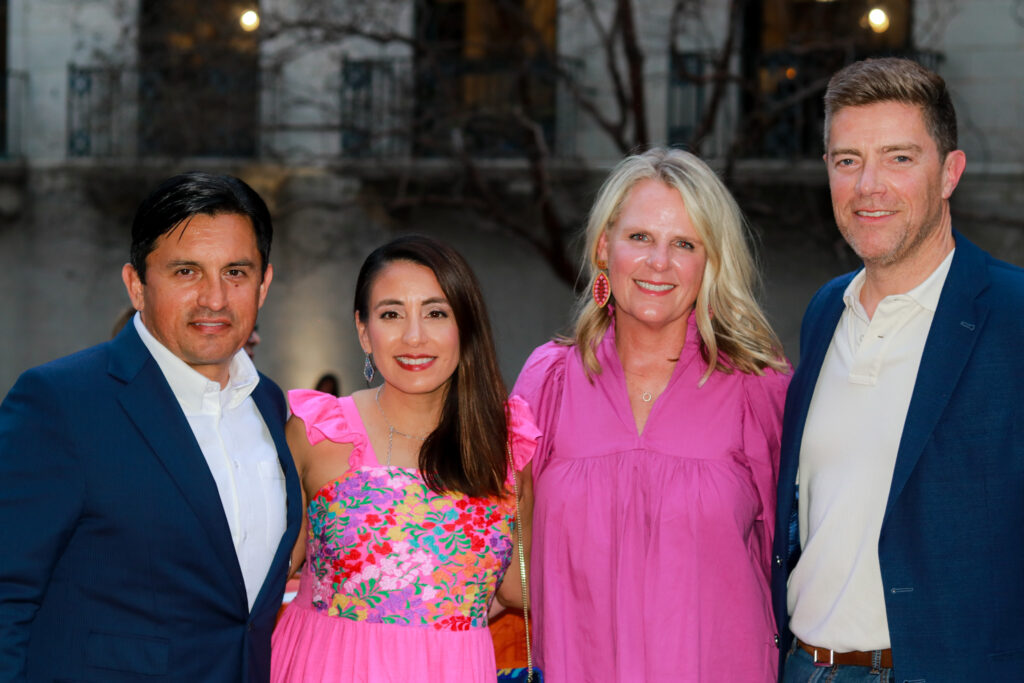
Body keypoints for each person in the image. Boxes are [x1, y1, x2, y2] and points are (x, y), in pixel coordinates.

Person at [771, 58, 1024, 682]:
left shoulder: (1013, 315)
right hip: (806, 667)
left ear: (950, 173)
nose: (869, 186)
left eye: (900, 158)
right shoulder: (827, 309)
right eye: (847, 159)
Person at [0, 172, 302, 682]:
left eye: (236, 272)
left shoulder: (272, 407)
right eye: (186, 271)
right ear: (137, 284)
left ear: (264, 283)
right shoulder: (61, 402)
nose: (214, 298)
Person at [512, 147, 791, 681]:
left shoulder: (759, 388)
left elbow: (799, 560)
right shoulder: (549, 382)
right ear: (603, 246)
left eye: (683, 243)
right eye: (640, 237)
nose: (658, 262)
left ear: (709, 262)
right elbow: (502, 553)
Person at [271, 235, 539, 682]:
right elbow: (266, 573)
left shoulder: (507, 445)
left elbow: (520, 588)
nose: (414, 337)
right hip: (324, 667)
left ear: (465, 326)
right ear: (363, 330)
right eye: (391, 314)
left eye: (436, 313)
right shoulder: (317, 433)